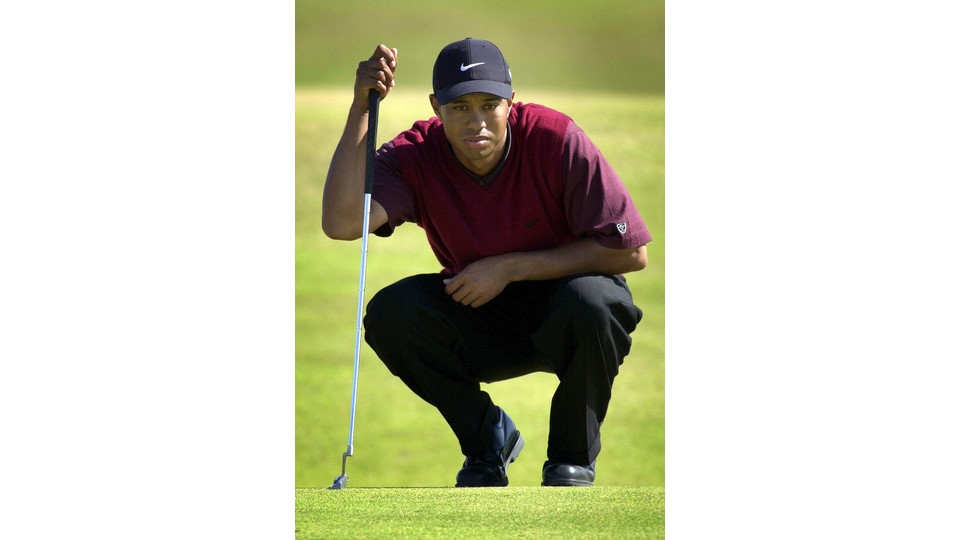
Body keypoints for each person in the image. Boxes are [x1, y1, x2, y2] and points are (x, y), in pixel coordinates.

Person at [323, 38, 652, 487]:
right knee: (390, 313)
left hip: (569, 313)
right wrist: (362, 107)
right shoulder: (415, 154)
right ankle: (488, 442)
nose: (476, 121)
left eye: (489, 104)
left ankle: (570, 462)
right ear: (436, 106)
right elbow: (342, 222)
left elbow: (630, 251)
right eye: (459, 107)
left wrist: (508, 267)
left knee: (596, 300)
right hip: (479, 316)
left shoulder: (556, 138)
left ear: (511, 103)